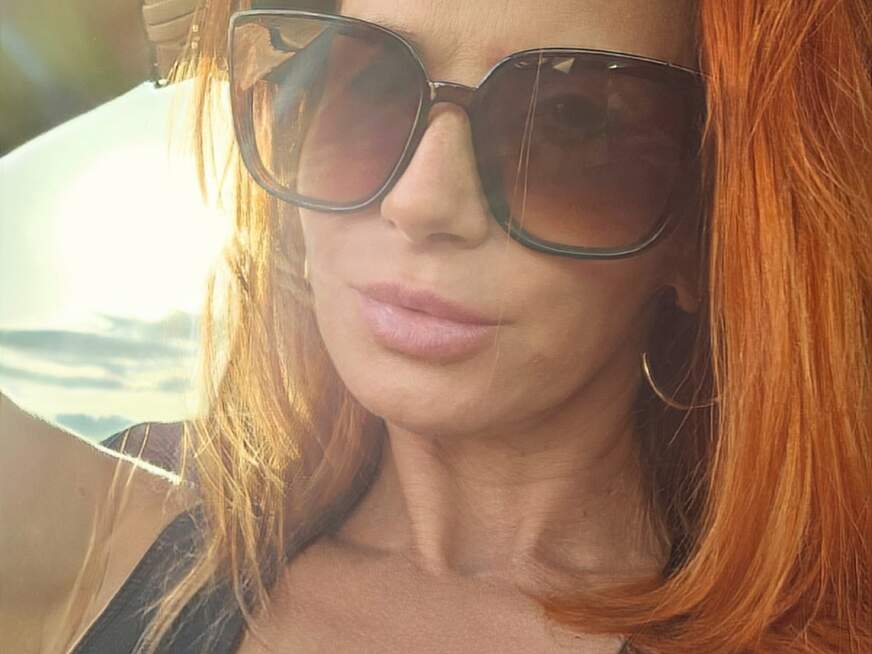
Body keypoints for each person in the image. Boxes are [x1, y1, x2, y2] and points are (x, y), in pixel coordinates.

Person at [1, 1, 869, 653]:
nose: (421, 203)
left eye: (569, 121)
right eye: (363, 82)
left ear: (700, 230)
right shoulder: (109, 553)